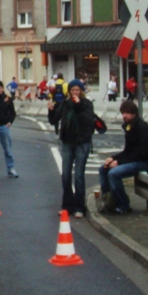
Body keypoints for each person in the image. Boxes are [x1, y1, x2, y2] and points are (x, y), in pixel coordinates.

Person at [99, 101, 148, 215]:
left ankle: (123, 205)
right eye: (123, 113)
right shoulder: (129, 127)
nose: (124, 116)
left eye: (127, 113)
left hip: (145, 162)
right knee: (103, 169)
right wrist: (113, 158)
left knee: (114, 173)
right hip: (136, 159)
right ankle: (109, 201)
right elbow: (128, 150)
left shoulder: (143, 128)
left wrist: (119, 162)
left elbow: (140, 153)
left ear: (134, 113)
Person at [50, 79, 95, 219]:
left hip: (82, 142)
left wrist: (78, 105)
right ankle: (67, 205)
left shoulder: (87, 104)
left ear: (81, 91)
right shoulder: (65, 104)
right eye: (73, 90)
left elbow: (88, 120)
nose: (75, 92)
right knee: (65, 175)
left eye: (77, 90)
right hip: (67, 142)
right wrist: (51, 110)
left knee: (79, 176)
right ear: (69, 91)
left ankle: (79, 207)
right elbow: (54, 120)